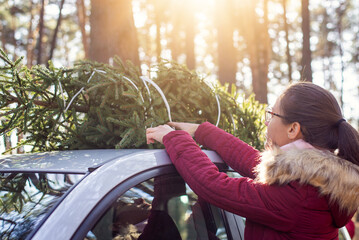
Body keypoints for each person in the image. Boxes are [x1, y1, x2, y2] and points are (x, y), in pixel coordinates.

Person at [146, 82, 359, 239]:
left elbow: (213, 185)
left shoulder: (299, 195)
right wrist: (201, 131)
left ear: (293, 129)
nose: (267, 123)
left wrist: (173, 138)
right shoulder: (318, 179)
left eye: (272, 115)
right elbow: (254, 161)